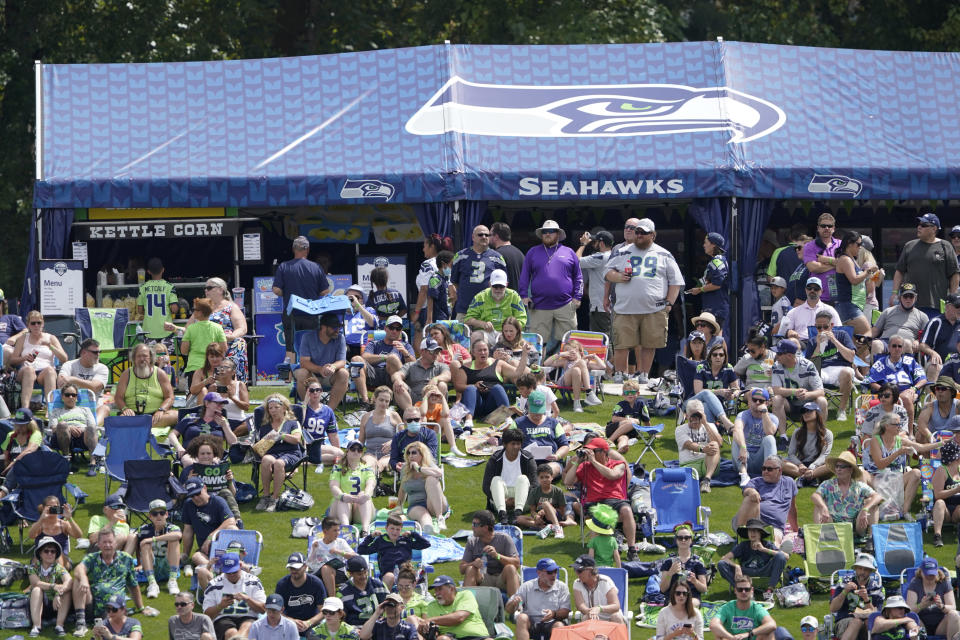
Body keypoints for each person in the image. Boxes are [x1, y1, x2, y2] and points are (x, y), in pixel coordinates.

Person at [604, 217, 684, 383]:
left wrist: (669, 304)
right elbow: (607, 273)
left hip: (654, 309)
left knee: (649, 343)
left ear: (653, 235)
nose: (639, 235)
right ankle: (619, 373)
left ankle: (644, 374)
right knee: (621, 343)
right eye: (637, 231)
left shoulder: (664, 253)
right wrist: (618, 276)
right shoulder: (622, 251)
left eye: (643, 233)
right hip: (625, 307)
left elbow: (676, 281)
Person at [564, 437, 640, 561]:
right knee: (598, 515)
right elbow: (567, 481)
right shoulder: (585, 467)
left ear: (603, 452)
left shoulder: (618, 464)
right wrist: (577, 461)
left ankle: (632, 549)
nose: (590, 453)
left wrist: (594, 462)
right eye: (589, 451)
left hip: (616, 500)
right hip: (594, 503)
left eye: (593, 451)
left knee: (627, 510)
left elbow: (612, 475)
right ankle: (598, 553)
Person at [519, 220, 583, 350]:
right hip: (539, 304)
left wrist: (578, 297)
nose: (547, 234)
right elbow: (524, 275)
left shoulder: (569, 252)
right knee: (536, 344)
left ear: (558, 234)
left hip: (565, 304)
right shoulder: (532, 252)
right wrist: (524, 295)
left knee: (570, 343)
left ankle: (565, 369)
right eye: (544, 232)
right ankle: (537, 369)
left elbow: (578, 276)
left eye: (551, 231)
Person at [864, 413, 939, 519]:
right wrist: (899, 452)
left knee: (916, 473)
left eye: (900, 424)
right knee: (862, 474)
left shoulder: (900, 440)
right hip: (877, 478)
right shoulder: (875, 440)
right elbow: (880, 464)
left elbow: (921, 447)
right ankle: (865, 510)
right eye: (897, 424)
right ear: (887, 426)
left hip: (895, 478)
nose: (900, 426)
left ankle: (904, 511)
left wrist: (941, 444)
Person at [71, 527, 144, 636]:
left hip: (113, 609)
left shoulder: (126, 559)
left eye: (110, 542)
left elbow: (133, 585)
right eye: (104, 542)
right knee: (78, 579)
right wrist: (84, 579)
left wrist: (141, 608)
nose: (107, 545)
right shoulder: (92, 558)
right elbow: (78, 569)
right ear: (98, 545)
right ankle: (81, 623)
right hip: (92, 604)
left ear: (115, 543)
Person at [273, 235, 331, 363]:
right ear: (307, 250)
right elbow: (325, 291)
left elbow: (276, 290)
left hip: (291, 312)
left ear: (293, 249)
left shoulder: (283, 267)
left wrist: (287, 293)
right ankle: (310, 374)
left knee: (290, 346)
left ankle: (290, 376)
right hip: (311, 313)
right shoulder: (316, 267)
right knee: (312, 345)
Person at [892, 212, 960, 316]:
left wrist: (952, 297)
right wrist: (894, 293)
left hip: (937, 305)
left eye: (924, 225)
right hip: (910, 304)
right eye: (919, 225)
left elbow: (954, 274)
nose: (919, 227)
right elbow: (899, 271)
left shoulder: (945, 246)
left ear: (934, 229)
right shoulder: (909, 246)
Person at [451, 338, 526, 428]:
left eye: (485, 350)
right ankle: (468, 422)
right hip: (475, 405)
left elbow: (518, 373)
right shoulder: (466, 367)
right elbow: (458, 386)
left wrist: (525, 353)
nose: (483, 352)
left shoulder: (498, 364)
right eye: (479, 350)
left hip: (493, 409)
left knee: (497, 387)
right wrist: (474, 385)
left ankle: (507, 419)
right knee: (471, 388)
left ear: (488, 351)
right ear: (473, 353)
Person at [182, 477, 238, 589]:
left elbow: (231, 521)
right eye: (192, 496)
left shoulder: (217, 501)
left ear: (205, 488)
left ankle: (226, 569)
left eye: (198, 493)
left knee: (232, 528)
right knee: (196, 556)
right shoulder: (188, 505)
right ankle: (215, 579)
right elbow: (188, 531)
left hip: (224, 547)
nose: (196, 498)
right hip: (206, 553)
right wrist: (185, 554)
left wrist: (211, 537)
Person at [253, 394, 304, 512]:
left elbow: (296, 439)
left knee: (279, 464)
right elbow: (262, 447)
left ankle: (275, 498)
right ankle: (265, 497)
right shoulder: (265, 426)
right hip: (273, 453)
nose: (273, 411)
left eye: (276, 407)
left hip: (291, 453)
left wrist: (281, 435)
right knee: (266, 460)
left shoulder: (293, 423)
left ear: (284, 408)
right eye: (270, 408)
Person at [867, 335, 927, 435]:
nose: (897, 349)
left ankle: (909, 432)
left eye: (900, 346)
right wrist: (885, 390)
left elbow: (923, 379)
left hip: (908, 391)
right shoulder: (880, 363)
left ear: (903, 349)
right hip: (888, 393)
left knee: (905, 397)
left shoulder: (910, 361)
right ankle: (893, 431)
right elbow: (871, 381)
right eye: (894, 346)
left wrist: (914, 388)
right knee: (899, 398)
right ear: (889, 348)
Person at [812, 451, 883, 536]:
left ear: (851, 469)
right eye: (837, 466)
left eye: (842, 467)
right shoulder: (828, 484)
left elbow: (878, 496)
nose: (838, 469)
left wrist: (865, 509)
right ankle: (822, 537)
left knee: (873, 506)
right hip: (832, 527)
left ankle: (872, 539)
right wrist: (823, 507)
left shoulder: (859, 486)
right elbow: (815, 495)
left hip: (856, 528)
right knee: (818, 506)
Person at [733, 456, 797, 548]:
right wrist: (752, 492)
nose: (765, 471)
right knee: (750, 498)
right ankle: (742, 539)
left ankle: (775, 551)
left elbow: (792, 508)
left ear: (780, 470)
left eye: (769, 469)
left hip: (775, 526)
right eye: (763, 468)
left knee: (773, 541)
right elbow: (746, 490)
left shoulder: (789, 482)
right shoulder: (756, 482)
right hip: (753, 521)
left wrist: (795, 530)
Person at [770, 340, 826, 444]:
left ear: (790, 356)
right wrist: (794, 392)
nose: (776, 356)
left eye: (779, 353)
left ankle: (819, 435)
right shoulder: (776, 366)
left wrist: (807, 394)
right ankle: (783, 438)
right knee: (777, 399)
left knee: (822, 401)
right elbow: (776, 389)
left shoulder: (808, 366)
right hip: (789, 404)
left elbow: (821, 391)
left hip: (808, 404)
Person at [805, 310, 857, 421]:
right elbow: (809, 366)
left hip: (840, 369)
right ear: (815, 327)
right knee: (811, 376)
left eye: (826, 327)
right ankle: (819, 410)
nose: (822, 330)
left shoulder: (842, 335)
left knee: (847, 372)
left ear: (832, 325)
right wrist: (818, 346)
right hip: (822, 370)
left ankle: (841, 410)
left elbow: (851, 357)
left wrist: (834, 340)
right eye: (819, 328)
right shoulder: (813, 341)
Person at [202, 551, 267, 640]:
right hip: (223, 618)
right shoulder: (214, 584)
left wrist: (248, 599)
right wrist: (220, 606)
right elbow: (207, 616)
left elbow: (263, 609)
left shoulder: (253, 581)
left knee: (247, 626)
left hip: (248, 616)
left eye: (234, 571)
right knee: (231, 632)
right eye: (228, 572)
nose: (232, 575)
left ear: (240, 566)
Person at [11, 310, 68, 409]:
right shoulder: (23, 338)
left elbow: (64, 359)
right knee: (29, 370)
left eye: (39, 323)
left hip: (44, 372)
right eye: (33, 323)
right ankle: (25, 408)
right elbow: (12, 360)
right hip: (26, 370)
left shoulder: (51, 338)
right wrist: (24, 358)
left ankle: (50, 409)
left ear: (43, 324)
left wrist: (50, 346)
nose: (36, 326)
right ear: (28, 325)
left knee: (50, 370)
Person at [354, 315, 414, 407]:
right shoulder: (374, 343)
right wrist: (385, 357)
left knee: (393, 358)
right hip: (374, 374)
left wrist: (405, 353)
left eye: (398, 329)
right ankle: (365, 401)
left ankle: (398, 400)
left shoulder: (406, 346)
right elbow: (364, 357)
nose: (394, 331)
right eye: (391, 327)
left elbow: (414, 365)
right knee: (356, 360)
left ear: (401, 331)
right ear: (385, 328)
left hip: (394, 377)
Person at [114, 342, 179, 427]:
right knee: (121, 420)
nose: (142, 359)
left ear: (151, 358)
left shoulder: (160, 373)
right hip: (132, 416)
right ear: (133, 358)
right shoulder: (126, 374)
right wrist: (125, 408)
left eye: (145, 356)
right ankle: (144, 426)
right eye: (139, 356)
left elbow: (170, 397)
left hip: (155, 416)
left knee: (176, 415)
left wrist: (161, 410)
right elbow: (118, 397)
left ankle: (138, 426)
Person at [357, 515, 430, 589]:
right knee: (390, 576)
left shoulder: (406, 540)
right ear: (386, 528)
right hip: (388, 574)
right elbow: (361, 550)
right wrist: (371, 537)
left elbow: (426, 544)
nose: (395, 531)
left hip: (405, 573)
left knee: (407, 575)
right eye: (392, 528)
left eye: (398, 529)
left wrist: (413, 534)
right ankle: (386, 598)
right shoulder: (380, 541)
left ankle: (406, 598)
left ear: (401, 529)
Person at [460, 509, 521, 597]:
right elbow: (462, 569)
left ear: (485, 527)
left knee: (510, 568)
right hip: (483, 578)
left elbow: (517, 564)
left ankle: (516, 607)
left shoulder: (504, 539)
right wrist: (473, 563)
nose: (472, 527)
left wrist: (497, 556)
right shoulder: (472, 542)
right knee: (470, 569)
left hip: (502, 578)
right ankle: (467, 606)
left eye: (475, 524)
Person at [506, 557, 571, 640]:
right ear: (539, 573)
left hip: (553, 622)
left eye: (555, 571)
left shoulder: (562, 587)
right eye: (550, 572)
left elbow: (566, 611)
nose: (554, 575)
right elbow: (508, 609)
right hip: (532, 623)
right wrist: (513, 604)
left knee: (559, 626)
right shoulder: (527, 586)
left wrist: (554, 614)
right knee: (521, 618)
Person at [450, 225, 507, 319]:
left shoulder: (497, 257)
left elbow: (504, 284)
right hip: (465, 309)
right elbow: (454, 282)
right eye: (480, 234)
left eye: (487, 235)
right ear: (473, 237)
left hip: (489, 309)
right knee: (463, 333)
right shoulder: (460, 256)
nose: (484, 237)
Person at [295, 313, 350, 410]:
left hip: (331, 376)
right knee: (301, 373)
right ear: (323, 327)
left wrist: (332, 367)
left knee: (344, 373)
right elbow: (304, 362)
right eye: (334, 328)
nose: (338, 330)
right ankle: (309, 410)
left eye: (339, 327)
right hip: (312, 375)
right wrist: (320, 369)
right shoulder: (307, 337)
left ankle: (328, 412)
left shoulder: (340, 338)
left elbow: (342, 361)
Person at [482, 427, 537, 524]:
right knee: (496, 480)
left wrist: (516, 500)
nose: (516, 447)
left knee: (523, 478)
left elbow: (535, 484)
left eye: (518, 444)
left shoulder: (528, 458)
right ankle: (502, 513)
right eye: (513, 444)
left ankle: (518, 513)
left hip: (523, 498)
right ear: (504, 444)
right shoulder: (495, 459)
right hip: (500, 498)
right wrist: (504, 500)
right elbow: (486, 485)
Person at [409, 575, 491, 640]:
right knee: (442, 639)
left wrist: (430, 620)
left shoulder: (465, 595)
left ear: (451, 589)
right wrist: (425, 629)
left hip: (478, 637)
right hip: (452, 638)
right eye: (435, 590)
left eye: (440, 589)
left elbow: (459, 617)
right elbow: (434, 633)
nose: (436, 593)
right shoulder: (432, 606)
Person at [169, 391, 239, 466]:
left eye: (222, 403)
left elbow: (234, 443)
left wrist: (225, 426)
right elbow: (172, 435)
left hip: (213, 455)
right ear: (207, 403)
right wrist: (179, 447)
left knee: (212, 463)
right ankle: (191, 477)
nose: (220, 406)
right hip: (190, 453)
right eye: (217, 403)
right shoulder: (190, 417)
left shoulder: (223, 421)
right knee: (189, 462)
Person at [717, 520, 788, 592]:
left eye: (755, 530)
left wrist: (764, 549)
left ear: (760, 533)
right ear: (747, 533)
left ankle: (769, 590)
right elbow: (724, 558)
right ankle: (741, 589)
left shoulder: (767, 544)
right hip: (746, 572)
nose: (752, 533)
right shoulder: (743, 545)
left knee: (780, 557)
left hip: (764, 571)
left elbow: (785, 556)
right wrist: (737, 566)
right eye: (750, 530)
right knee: (721, 564)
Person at [181, 435, 240, 519]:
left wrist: (230, 481)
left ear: (214, 455)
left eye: (209, 453)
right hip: (199, 501)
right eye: (202, 453)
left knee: (226, 492)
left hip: (219, 501)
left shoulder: (222, 469)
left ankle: (237, 522)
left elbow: (233, 494)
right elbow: (180, 496)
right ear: (197, 455)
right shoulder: (189, 470)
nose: (205, 456)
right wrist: (188, 481)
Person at [395, 439, 447, 533]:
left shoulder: (429, 465)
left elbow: (439, 473)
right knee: (424, 516)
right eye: (408, 453)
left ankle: (440, 518)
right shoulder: (405, 468)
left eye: (414, 453)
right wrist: (399, 506)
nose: (410, 456)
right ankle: (428, 532)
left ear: (422, 454)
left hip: (435, 504)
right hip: (416, 505)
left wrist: (419, 468)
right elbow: (402, 489)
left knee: (431, 479)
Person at [515, 390, 569, 478]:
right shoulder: (518, 423)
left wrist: (557, 456)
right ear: (528, 406)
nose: (537, 414)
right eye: (534, 411)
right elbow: (506, 444)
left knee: (549, 470)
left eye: (540, 411)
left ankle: (535, 483)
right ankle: (537, 483)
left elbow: (565, 445)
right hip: (526, 462)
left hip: (550, 463)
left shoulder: (553, 423)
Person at [464, 268, 527, 344]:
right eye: (495, 286)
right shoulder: (480, 297)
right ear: (490, 284)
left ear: (506, 285)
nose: (498, 289)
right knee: (475, 337)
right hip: (486, 333)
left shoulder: (514, 296)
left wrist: (508, 330)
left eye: (501, 287)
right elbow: (468, 319)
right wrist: (483, 324)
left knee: (526, 344)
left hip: (508, 333)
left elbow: (522, 318)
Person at [828, 553, 883, 640]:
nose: (862, 572)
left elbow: (876, 615)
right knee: (857, 622)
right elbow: (833, 608)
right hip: (845, 620)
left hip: (867, 623)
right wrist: (845, 592)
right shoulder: (844, 583)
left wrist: (866, 599)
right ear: (855, 569)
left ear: (870, 571)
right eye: (860, 568)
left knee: (869, 622)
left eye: (866, 569)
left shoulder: (875, 587)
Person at [204, 277, 248, 382]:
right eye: (205, 288)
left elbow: (242, 328)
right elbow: (189, 327)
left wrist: (231, 336)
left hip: (226, 341)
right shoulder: (203, 307)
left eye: (209, 288)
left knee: (239, 342)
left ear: (220, 289)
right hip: (206, 340)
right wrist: (176, 328)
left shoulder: (231, 307)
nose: (206, 290)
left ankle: (236, 382)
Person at [710, 575, 781, 640]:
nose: (743, 592)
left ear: (752, 590)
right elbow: (714, 625)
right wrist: (731, 637)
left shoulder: (756, 608)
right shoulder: (727, 607)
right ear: (735, 590)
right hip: (732, 639)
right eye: (740, 589)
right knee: (719, 635)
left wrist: (749, 634)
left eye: (747, 589)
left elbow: (772, 624)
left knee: (768, 633)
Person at [732, 388, 779, 486]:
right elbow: (737, 429)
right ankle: (744, 475)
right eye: (754, 400)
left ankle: (770, 474)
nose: (757, 403)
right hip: (743, 457)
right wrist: (743, 447)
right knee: (737, 437)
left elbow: (770, 432)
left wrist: (764, 413)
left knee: (770, 439)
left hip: (761, 461)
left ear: (767, 403)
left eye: (761, 401)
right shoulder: (743, 414)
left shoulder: (773, 418)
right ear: (750, 401)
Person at [136, 498, 182, 598]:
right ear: (150, 516)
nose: (159, 516)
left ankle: (172, 581)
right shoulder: (143, 529)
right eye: (155, 514)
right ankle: (152, 583)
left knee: (174, 540)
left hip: (168, 566)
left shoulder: (173, 528)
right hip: (152, 566)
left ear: (166, 514)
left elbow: (178, 535)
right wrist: (139, 563)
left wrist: (152, 539)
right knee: (144, 545)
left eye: (162, 513)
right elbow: (137, 546)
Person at [56, 338, 110, 424]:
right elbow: (60, 383)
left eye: (100, 352)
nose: (98, 355)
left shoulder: (102, 368)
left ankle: (93, 427)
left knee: (105, 409)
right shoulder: (69, 365)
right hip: (71, 408)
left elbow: (95, 387)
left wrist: (72, 379)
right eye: (95, 352)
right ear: (84, 352)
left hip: (94, 409)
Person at [674, 399, 723, 493]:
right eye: (693, 416)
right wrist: (703, 449)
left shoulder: (710, 426)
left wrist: (705, 423)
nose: (695, 419)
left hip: (708, 465)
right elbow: (688, 444)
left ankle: (706, 480)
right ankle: (704, 480)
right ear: (687, 416)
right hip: (689, 464)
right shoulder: (680, 429)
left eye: (698, 416)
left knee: (714, 444)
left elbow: (719, 443)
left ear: (703, 415)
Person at [904, 557, 960, 640]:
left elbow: (953, 607)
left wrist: (942, 606)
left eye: (932, 574)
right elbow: (909, 611)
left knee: (954, 615)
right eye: (927, 574)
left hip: (941, 625)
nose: (930, 576)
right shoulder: (915, 583)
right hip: (920, 624)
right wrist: (921, 605)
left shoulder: (944, 583)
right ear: (921, 572)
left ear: (937, 572)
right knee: (910, 618)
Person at [27, 536, 72, 638]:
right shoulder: (33, 567)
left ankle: (59, 625)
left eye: (53, 551)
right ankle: (36, 626)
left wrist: (58, 593)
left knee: (67, 592)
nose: (50, 554)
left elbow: (69, 581)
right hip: (39, 603)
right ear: (40, 553)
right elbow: (36, 583)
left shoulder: (58, 568)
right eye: (46, 551)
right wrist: (53, 586)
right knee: (37, 590)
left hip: (57, 605)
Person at [391, 338, 451, 414]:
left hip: (432, 396)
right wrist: (399, 380)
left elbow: (447, 375)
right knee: (397, 384)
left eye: (437, 351)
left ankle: (435, 414)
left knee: (442, 385)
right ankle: (412, 415)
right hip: (413, 398)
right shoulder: (411, 365)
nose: (436, 354)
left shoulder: (441, 366)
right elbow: (396, 375)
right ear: (422, 351)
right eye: (433, 351)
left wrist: (436, 379)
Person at [689, 341, 738, 433]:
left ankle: (712, 433)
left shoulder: (728, 368)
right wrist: (719, 392)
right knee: (706, 393)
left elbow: (737, 389)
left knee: (706, 406)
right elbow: (698, 391)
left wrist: (733, 395)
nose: (718, 357)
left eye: (721, 355)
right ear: (710, 357)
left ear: (725, 357)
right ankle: (725, 422)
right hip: (695, 402)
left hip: (718, 405)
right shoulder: (701, 367)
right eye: (715, 355)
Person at [834, 231, 877, 337]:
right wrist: (868, 271)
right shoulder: (845, 260)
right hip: (849, 306)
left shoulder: (852, 259)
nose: (860, 247)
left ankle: (854, 354)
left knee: (856, 343)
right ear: (849, 243)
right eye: (858, 244)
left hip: (855, 305)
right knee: (868, 335)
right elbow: (854, 280)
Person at [329, 441, 376, 534]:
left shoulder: (367, 468)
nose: (356, 452)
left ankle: (365, 531)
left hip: (360, 508)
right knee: (342, 498)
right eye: (353, 449)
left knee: (365, 495)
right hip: (342, 508)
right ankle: (347, 530)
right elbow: (333, 486)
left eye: (359, 450)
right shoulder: (338, 468)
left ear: (362, 453)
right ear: (347, 451)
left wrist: (365, 495)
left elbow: (371, 485)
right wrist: (343, 496)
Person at [869, 284, 929, 356]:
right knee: (876, 344)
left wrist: (918, 341)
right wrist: (863, 338)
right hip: (887, 342)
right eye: (905, 296)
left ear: (915, 298)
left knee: (907, 343)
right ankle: (878, 367)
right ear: (900, 297)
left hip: (906, 343)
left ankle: (905, 367)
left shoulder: (922, 316)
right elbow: (875, 330)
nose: (908, 299)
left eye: (911, 296)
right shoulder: (888, 311)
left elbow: (926, 337)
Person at [543, 339, 604, 412]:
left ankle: (577, 404)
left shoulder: (586, 362)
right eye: (566, 352)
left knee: (577, 370)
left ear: (578, 350)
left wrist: (594, 356)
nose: (568, 354)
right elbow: (546, 363)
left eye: (570, 351)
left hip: (579, 382)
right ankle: (589, 392)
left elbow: (603, 367)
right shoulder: (565, 361)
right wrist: (560, 354)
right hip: (565, 381)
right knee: (581, 362)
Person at [687, 231, 730, 331]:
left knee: (715, 336)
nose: (703, 245)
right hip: (713, 305)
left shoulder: (717, 261)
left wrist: (700, 289)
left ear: (713, 244)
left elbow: (717, 284)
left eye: (706, 242)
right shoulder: (716, 260)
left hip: (716, 306)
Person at [780, 277, 842, 347]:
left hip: (824, 343)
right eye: (809, 288)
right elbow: (782, 331)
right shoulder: (794, 312)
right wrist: (788, 332)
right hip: (801, 344)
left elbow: (839, 330)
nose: (812, 290)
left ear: (821, 291)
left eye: (816, 288)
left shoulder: (830, 310)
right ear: (806, 290)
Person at [275, 552, 327, 636]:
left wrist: (308, 623)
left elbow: (324, 610)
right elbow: (277, 611)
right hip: (288, 624)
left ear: (305, 566)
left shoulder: (316, 583)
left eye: (297, 568)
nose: (294, 571)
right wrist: (292, 621)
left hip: (313, 624)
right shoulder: (282, 585)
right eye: (291, 568)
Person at [517, 463, 575, 536]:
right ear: (538, 479)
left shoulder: (557, 491)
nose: (544, 480)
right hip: (541, 518)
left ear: (552, 477)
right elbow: (532, 511)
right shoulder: (534, 492)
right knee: (519, 519)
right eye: (541, 477)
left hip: (555, 516)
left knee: (545, 504)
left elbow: (562, 512)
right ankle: (545, 527)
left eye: (547, 477)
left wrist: (546, 510)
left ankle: (557, 528)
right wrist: (536, 516)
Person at [306, 517, 358, 598]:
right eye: (335, 530)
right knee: (324, 568)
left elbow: (355, 557)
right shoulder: (316, 543)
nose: (338, 533)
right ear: (325, 531)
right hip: (318, 573)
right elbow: (309, 563)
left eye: (338, 530)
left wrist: (338, 551)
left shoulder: (340, 542)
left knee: (326, 568)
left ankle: (332, 599)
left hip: (339, 574)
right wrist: (314, 550)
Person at [785, 402, 835, 486]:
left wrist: (813, 466)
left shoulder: (827, 433)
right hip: (800, 466)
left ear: (817, 413)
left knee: (833, 464)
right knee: (778, 462)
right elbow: (791, 454)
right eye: (804, 411)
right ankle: (812, 477)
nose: (806, 413)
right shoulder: (797, 432)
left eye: (809, 411)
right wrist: (800, 464)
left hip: (818, 465)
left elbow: (825, 455)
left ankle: (805, 477)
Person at [659, 524, 708, 605]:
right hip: (673, 597)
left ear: (691, 540)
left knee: (691, 605)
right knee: (675, 606)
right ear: (676, 540)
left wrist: (695, 581)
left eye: (686, 538)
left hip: (692, 597)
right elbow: (662, 589)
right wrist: (670, 573)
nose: (683, 540)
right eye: (680, 538)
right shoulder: (668, 561)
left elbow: (704, 589)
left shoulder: (697, 562)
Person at [28, 495, 82, 569]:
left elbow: (78, 535)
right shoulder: (39, 525)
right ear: (43, 508)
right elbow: (31, 535)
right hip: (41, 558)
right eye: (49, 507)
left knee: (57, 555)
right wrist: (41, 519)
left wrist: (70, 518)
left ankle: (56, 577)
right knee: (39, 558)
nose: (52, 509)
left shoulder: (64, 525)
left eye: (55, 507)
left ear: (59, 508)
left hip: (62, 559)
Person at [577, 229, 615, 334]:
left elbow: (576, 260)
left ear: (601, 243)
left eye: (595, 241)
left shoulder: (600, 256)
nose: (593, 244)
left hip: (600, 307)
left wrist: (583, 244)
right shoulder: (614, 255)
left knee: (601, 340)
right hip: (611, 305)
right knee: (610, 339)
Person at [182, 297, 229, 381]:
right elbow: (224, 348)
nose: (193, 311)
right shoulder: (218, 328)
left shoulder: (190, 329)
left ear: (201, 312)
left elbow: (184, 351)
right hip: (213, 368)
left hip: (194, 367)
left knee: (195, 393)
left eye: (195, 309)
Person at [414, 234, 454, 329]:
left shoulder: (427, 265)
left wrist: (417, 312)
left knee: (424, 339)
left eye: (424, 246)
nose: (423, 249)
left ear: (431, 247)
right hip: (445, 309)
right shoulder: (450, 263)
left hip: (429, 311)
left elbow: (424, 290)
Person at [570, 555, 624, 624]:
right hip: (592, 618)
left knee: (616, 617)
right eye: (575, 570)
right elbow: (580, 605)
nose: (577, 574)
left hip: (610, 618)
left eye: (579, 571)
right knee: (586, 618)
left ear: (591, 570)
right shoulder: (577, 583)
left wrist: (599, 608)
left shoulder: (605, 581)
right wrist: (590, 612)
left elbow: (616, 605)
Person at [358, 387, 402, 473]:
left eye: (387, 401)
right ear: (374, 399)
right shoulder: (366, 417)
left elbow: (403, 437)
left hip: (389, 454)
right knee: (368, 466)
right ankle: (373, 483)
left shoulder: (394, 416)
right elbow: (361, 440)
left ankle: (374, 483)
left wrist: (393, 442)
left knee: (380, 465)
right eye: (381, 400)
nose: (384, 403)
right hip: (370, 453)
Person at [301, 375, 341, 465]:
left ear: (321, 391)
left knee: (340, 454)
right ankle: (308, 460)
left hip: (318, 446)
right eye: (311, 391)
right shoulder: (300, 407)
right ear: (307, 392)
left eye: (318, 390)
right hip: (303, 445)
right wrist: (304, 404)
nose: (315, 393)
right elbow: (299, 424)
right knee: (337, 455)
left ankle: (307, 462)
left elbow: (333, 435)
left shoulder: (327, 411)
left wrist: (338, 450)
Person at [605, 378, 652, 454]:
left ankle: (621, 448)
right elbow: (614, 419)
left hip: (631, 432)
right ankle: (610, 440)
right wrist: (629, 420)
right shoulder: (620, 405)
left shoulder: (641, 404)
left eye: (632, 392)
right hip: (613, 428)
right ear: (623, 394)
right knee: (634, 421)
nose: (630, 394)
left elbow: (646, 421)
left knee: (623, 438)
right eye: (627, 392)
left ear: (638, 393)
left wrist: (651, 434)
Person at [920, 294, 960, 381]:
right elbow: (922, 345)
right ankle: (932, 394)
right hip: (939, 362)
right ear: (948, 307)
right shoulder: (936, 322)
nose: (959, 309)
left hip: (957, 362)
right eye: (957, 306)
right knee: (935, 365)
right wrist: (933, 353)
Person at [803, 211, 841, 302]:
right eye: (823, 226)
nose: (826, 228)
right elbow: (813, 268)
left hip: (839, 296)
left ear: (834, 228)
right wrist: (836, 263)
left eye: (830, 226)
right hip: (817, 295)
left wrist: (826, 260)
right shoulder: (809, 246)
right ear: (818, 228)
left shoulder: (841, 244)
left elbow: (848, 265)